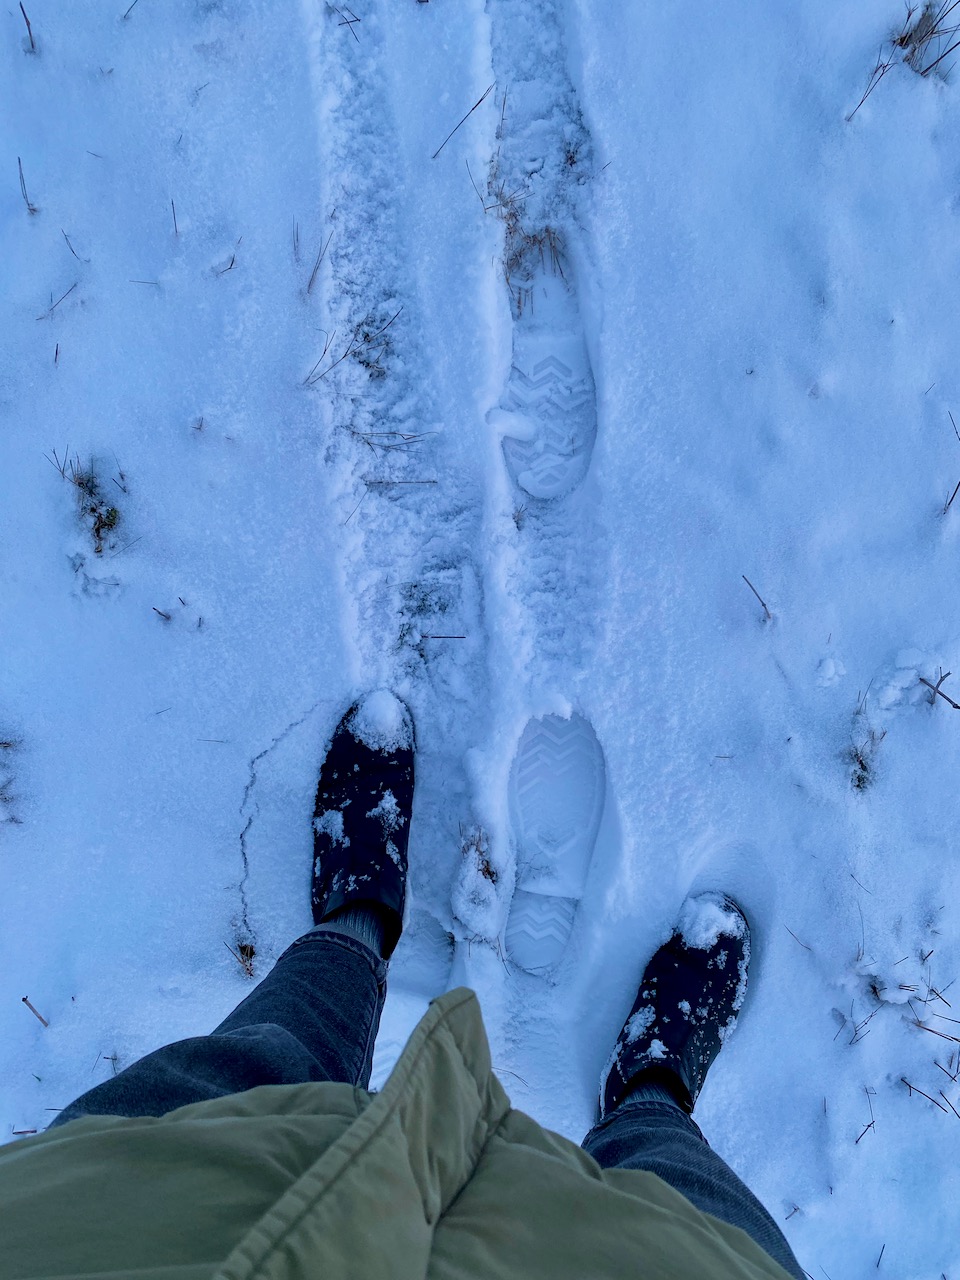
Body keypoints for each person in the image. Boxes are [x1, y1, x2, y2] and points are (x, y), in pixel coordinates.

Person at [0, 692, 804, 1280]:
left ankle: (355, 923)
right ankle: (651, 1090)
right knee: (678, 1207)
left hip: (128, 1237)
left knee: (244, 1082)